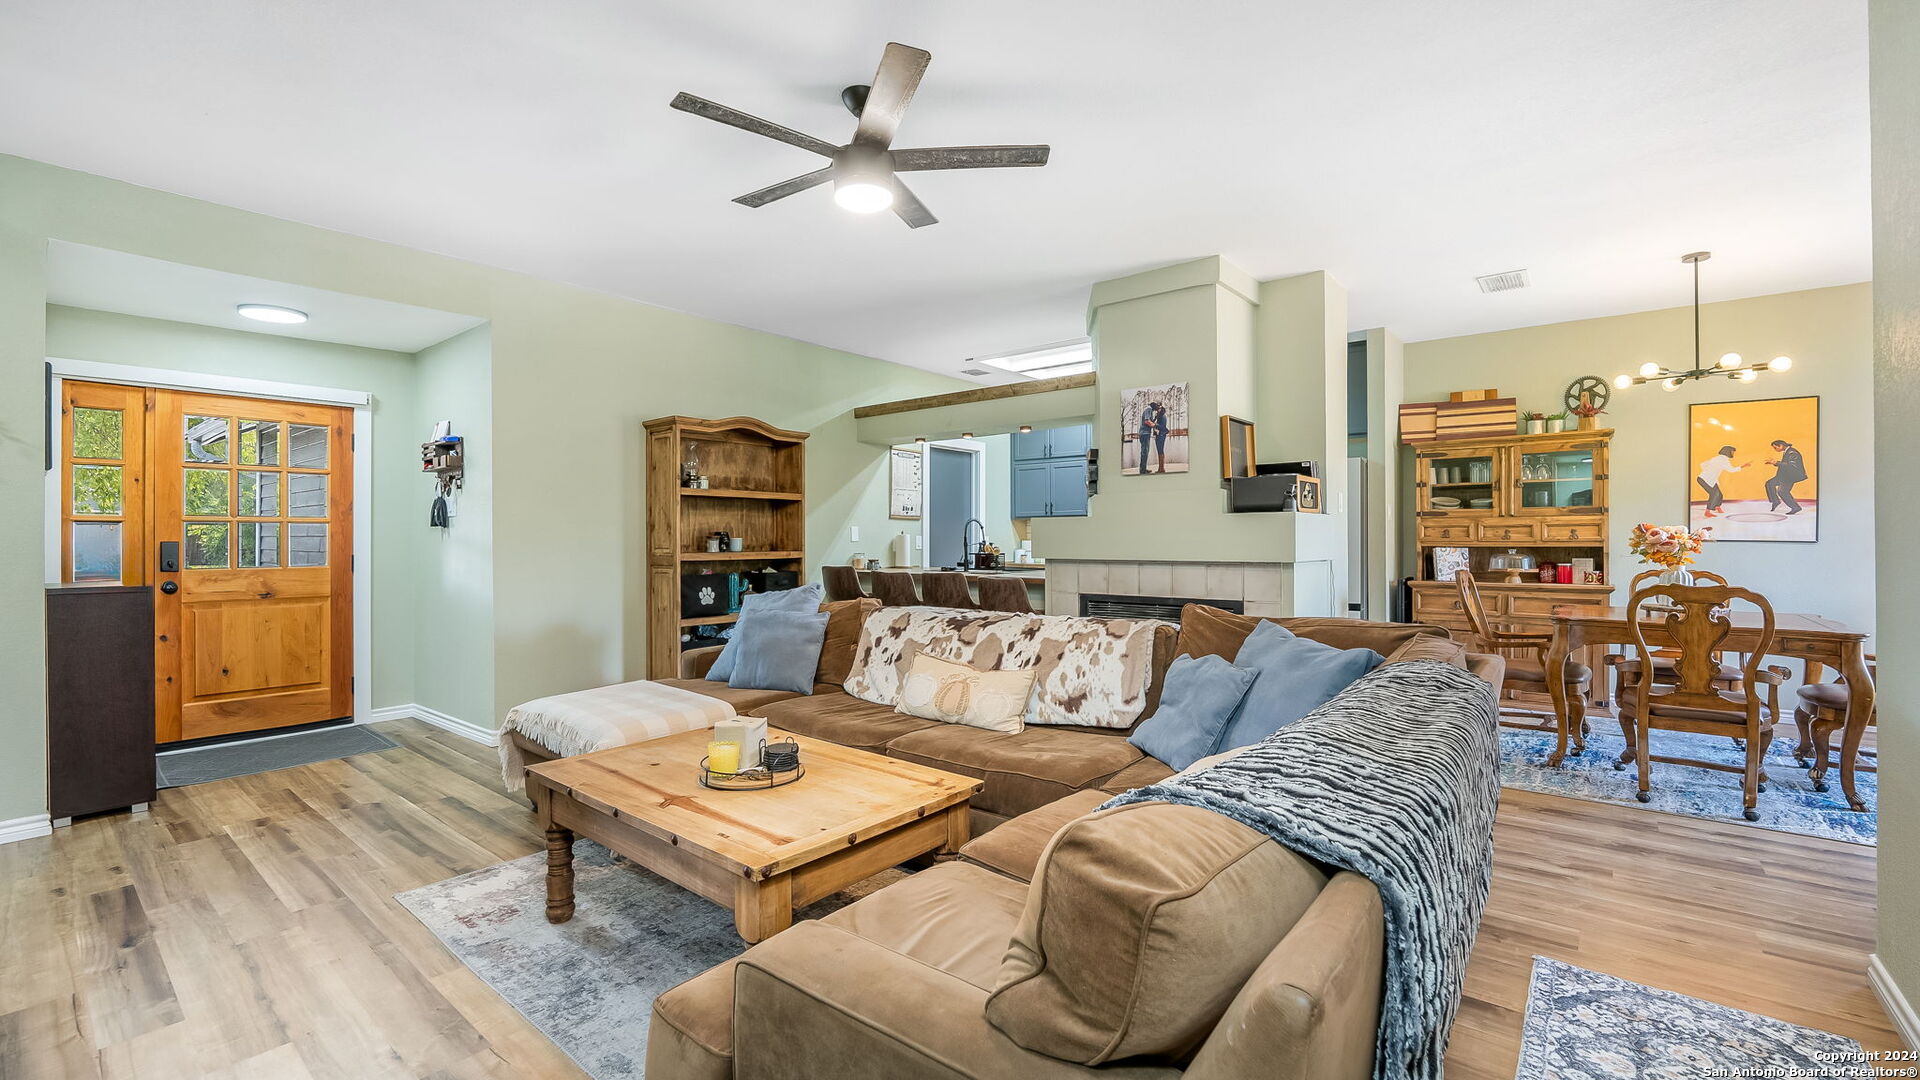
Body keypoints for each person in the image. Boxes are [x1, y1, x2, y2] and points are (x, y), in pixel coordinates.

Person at [1695, 445, 1749, 518]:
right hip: (1705, 479)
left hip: (1708, 479)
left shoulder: (1717, 458)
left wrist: (1709, 471)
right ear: (1728, 452)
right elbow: (1731, 470)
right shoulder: (1723, 460)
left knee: (1719, 494)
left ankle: (1717, 507)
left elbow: (1702, 464)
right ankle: (1707, 512)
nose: (1733, 454)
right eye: (1732, 452)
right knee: (1714, 494)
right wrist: (1743, 466)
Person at [1765, 438, 1808, 515]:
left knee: (1782, 491)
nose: (1775, 449)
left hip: (1790, 476)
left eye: (1775, 447)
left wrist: (1777, 462)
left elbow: (1791, 466)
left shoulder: (1792, 452)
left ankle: (1795, 507)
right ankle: (1776, 501)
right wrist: (1774, 463)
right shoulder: (1787, 451)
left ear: (1781, 445)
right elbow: (1785, 464)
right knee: (1769, 483)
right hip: (1784, 476)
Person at [1138, 400, 1167, 474]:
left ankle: (1144, 468)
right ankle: (1143, 470)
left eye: (1159, 408)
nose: (1157, 410)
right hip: (1144, 433)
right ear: (1154, 405)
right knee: (1145, 452)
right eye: (1157, 407)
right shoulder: (1149, 409)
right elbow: (1147, 421)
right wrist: (1155, 425)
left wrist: (1155, 424)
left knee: (1145, 451)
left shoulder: (1161, 415)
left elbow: (1150, 422)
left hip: (1146, 433)